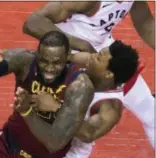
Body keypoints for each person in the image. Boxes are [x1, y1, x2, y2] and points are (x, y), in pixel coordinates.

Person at [0, 38, 140, 158]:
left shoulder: (110, 104)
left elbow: (86, 133)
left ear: (108, 73)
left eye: (99, 57)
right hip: (11, 146)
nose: (92, 56)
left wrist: (54, 106)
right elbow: (40, 32)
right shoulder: (74, 67)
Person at [22, 1, 155, 148]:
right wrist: (79, 44)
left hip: (104, 55)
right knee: (75, 138)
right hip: (70, 59)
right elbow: (33, 22)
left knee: (151, 112)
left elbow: (146, 23)